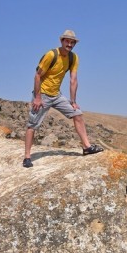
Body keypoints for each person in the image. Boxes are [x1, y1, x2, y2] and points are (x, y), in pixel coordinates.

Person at [23, 29, 103, 168]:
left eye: (72, 42)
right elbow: (37, 76)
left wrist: (73, 102)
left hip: (57, 95)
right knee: (33, 125)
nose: (70, 44)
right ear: (62, 41)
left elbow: (73, 80)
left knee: (77, 114)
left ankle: (86, 147)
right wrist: (37, 97)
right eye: (67, 41)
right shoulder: (51, 55)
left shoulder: (73, 58)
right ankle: (27, 157)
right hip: (42, 95)